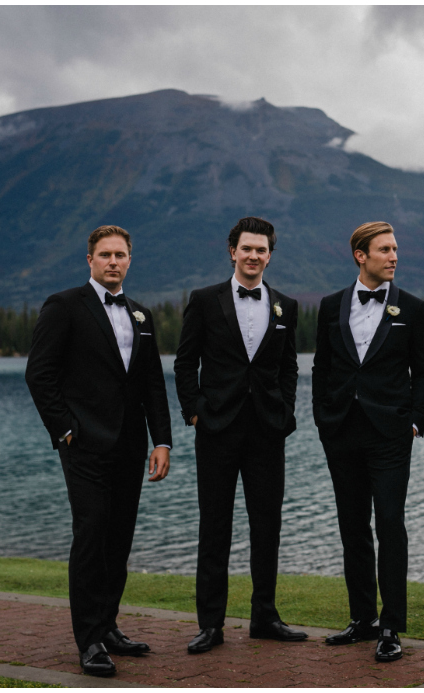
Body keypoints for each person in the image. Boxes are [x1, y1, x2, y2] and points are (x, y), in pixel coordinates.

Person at [25, 225, 172, 677]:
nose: (113, 261)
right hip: (84, 445)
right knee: (91, 534)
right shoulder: (65, 305)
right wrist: (65, 431)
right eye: (105, 254)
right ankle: (88, 640)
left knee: (119, 537)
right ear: (89, 260)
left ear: (130, 260)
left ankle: (108, 626)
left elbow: (151, 384)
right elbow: (39, 373)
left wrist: (161, 440)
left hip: (130, 445)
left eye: (121, 255)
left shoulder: (142, 314)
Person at [173, 216, 305, 654]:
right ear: (233, 252)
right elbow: (184, 361)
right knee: (215, 528)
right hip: (217, 430)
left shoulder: (286, 305)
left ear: (270, 254)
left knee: (267, 526)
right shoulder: (205, 300)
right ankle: (210, 624)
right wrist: (193, 412)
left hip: (268, 431)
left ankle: (264, 617)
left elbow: (288, 366)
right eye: (246, 248)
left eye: (261, 249)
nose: (253, 255)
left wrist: (284, 411)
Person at [312, 221, 424, 663]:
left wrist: (415, 421)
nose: (394, 256)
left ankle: (391, 626)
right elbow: (322, 368)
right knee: (352, 527)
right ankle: (361, 619)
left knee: (390, 526)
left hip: (390, 434)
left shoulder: (414, 309)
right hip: (341, 430)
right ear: (361, 256)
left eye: (396, 249)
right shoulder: (329, 306)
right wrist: (323, 420)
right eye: (384, 250)